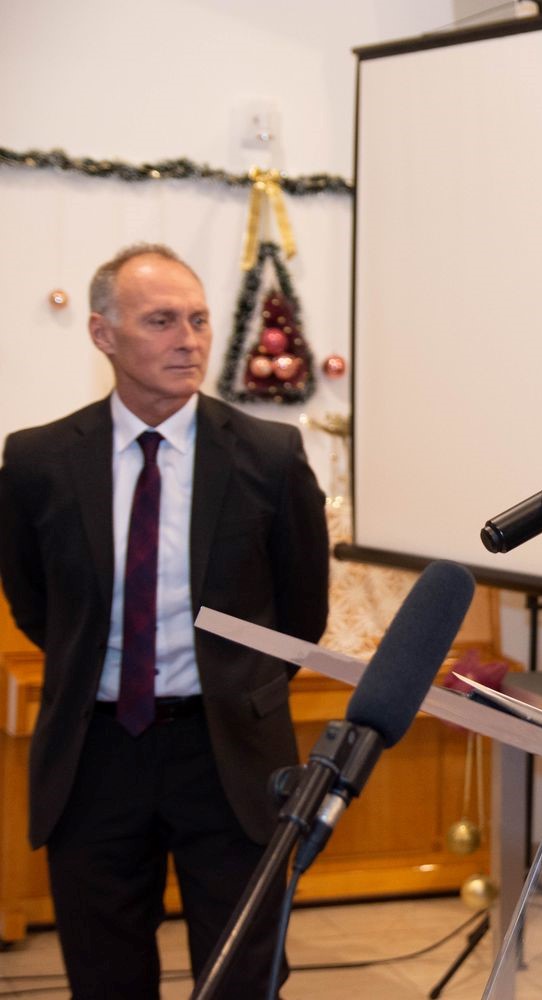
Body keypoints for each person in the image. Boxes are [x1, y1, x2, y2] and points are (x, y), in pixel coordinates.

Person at [0, 244, 330, 999]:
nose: (189, 340)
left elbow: (299, 612)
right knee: (105, 975)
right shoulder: (39, 461)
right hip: (94, 754)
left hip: (229, 753)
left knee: (242, 977)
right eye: (161, 321)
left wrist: (241, 688)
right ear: (103, 334)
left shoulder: (269, 455)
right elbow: (34, 603)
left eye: (199, 320)